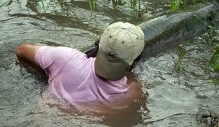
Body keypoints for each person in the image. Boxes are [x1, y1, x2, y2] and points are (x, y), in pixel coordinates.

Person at [16, 22, 145, 111]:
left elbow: (21, 51)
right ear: (133, 61)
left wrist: (44, 72)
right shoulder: (131, 93)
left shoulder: (65, 58)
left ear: (99, 44)